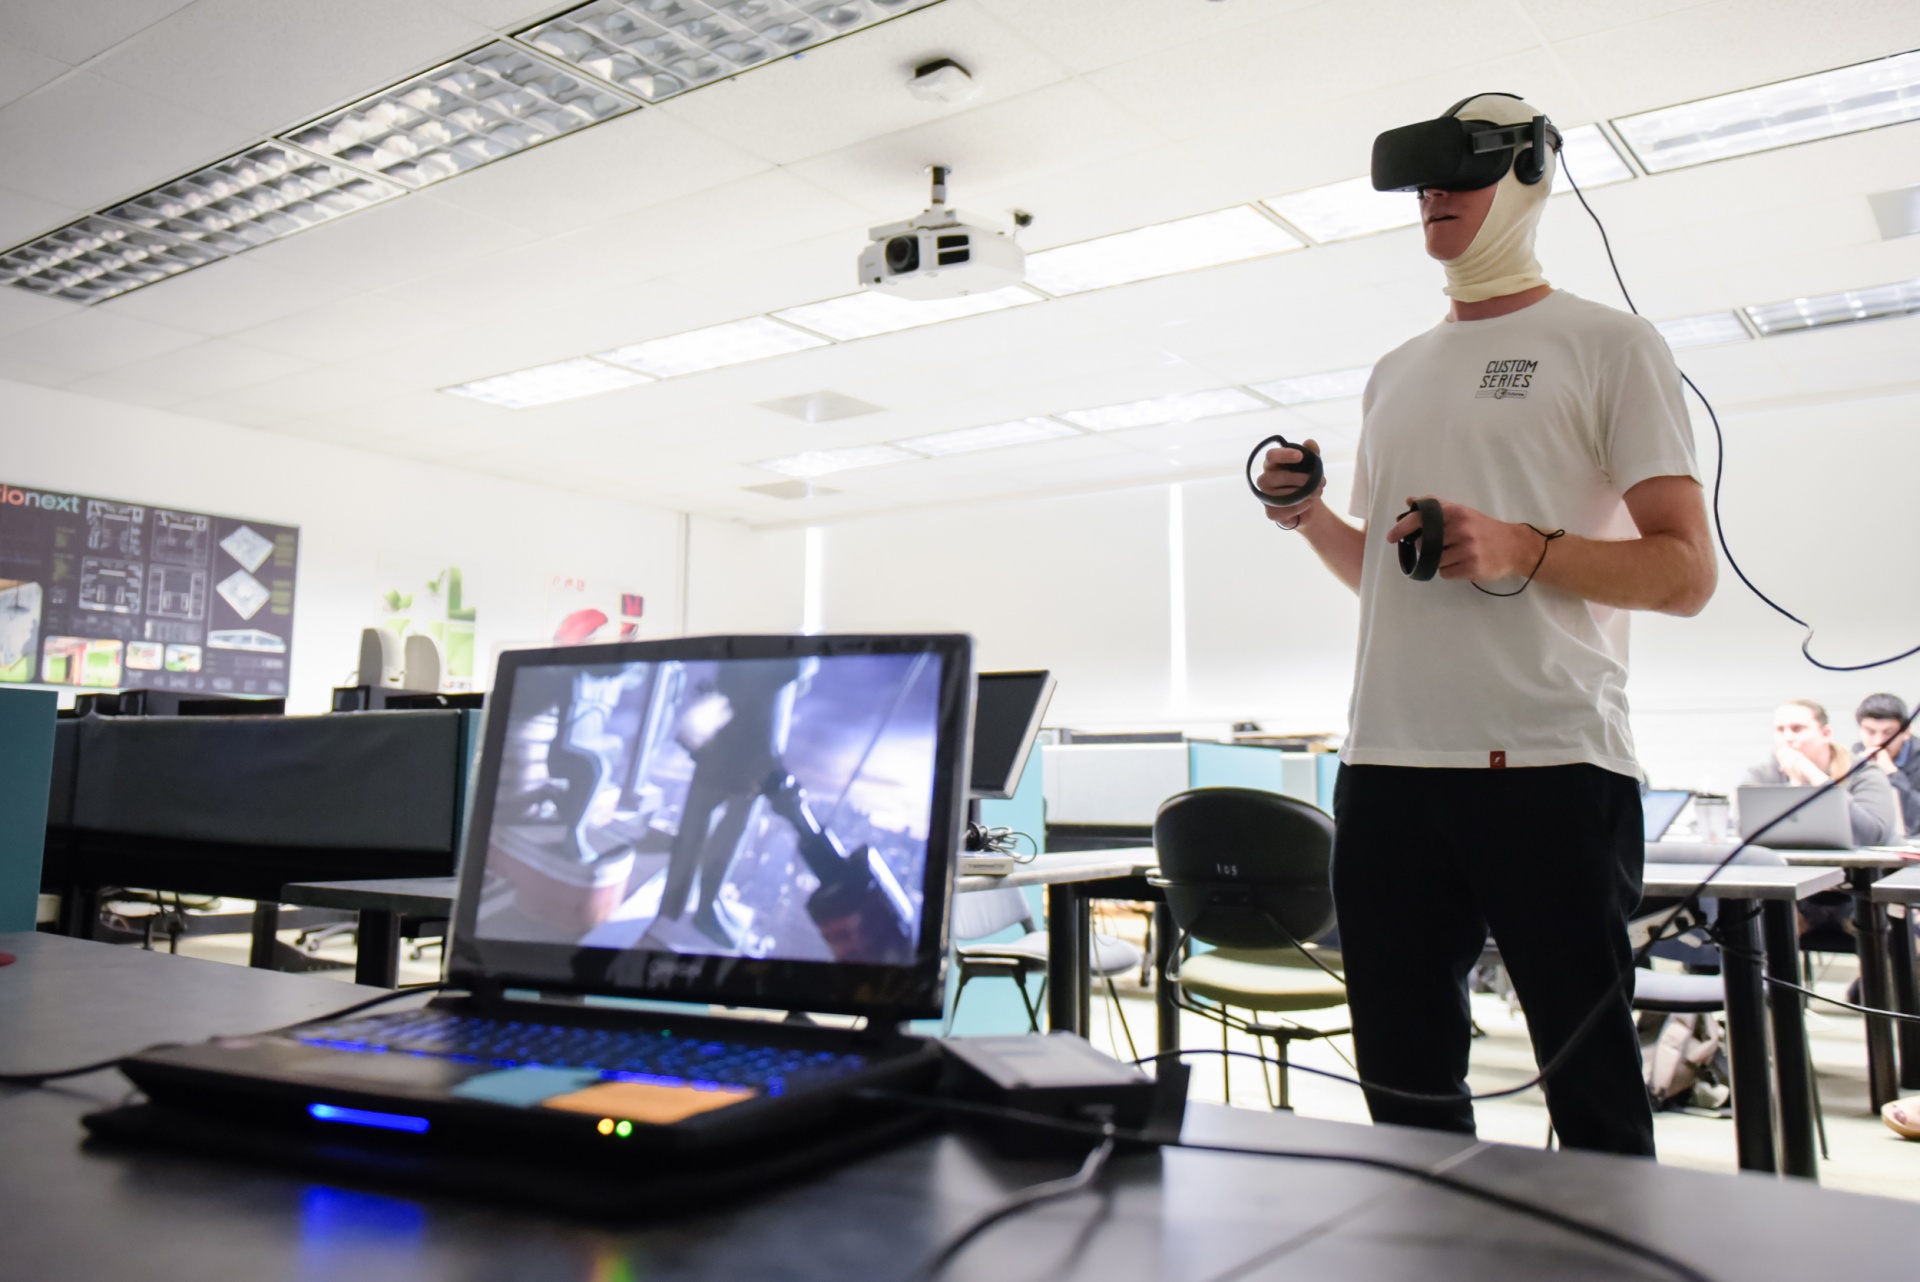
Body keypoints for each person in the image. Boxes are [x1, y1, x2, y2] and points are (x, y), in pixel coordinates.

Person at [1255, 94, 1716, 1157]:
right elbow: (1389, 576)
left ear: (1526, 176)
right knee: (1406, 1100)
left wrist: (1526, 548)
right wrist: (1312, 516)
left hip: (1550, 764)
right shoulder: (1395, 373)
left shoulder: (1611, 345)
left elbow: (1686, 573)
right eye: (1421, 184)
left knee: (1592, 1096)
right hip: (1388, 767)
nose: (1433, 198)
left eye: (1457, 174)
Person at [1742, 699, 1898, 847]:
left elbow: (1872, 836)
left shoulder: (1863, 772)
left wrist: (1812, 774)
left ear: (1826, 734)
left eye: (1797, 729)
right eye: (1780, 730)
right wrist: (1796, 785)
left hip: (1858, 871)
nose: (1787, 738)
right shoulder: (1761, 776)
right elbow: (1745, 829)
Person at [1854, 693, 1919, 836]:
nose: (1879, 741)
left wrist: (1892, 773)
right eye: (1870, 732)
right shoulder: (1851, 760)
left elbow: (1916, 820)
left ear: (1906, 731)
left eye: (1888, 733)